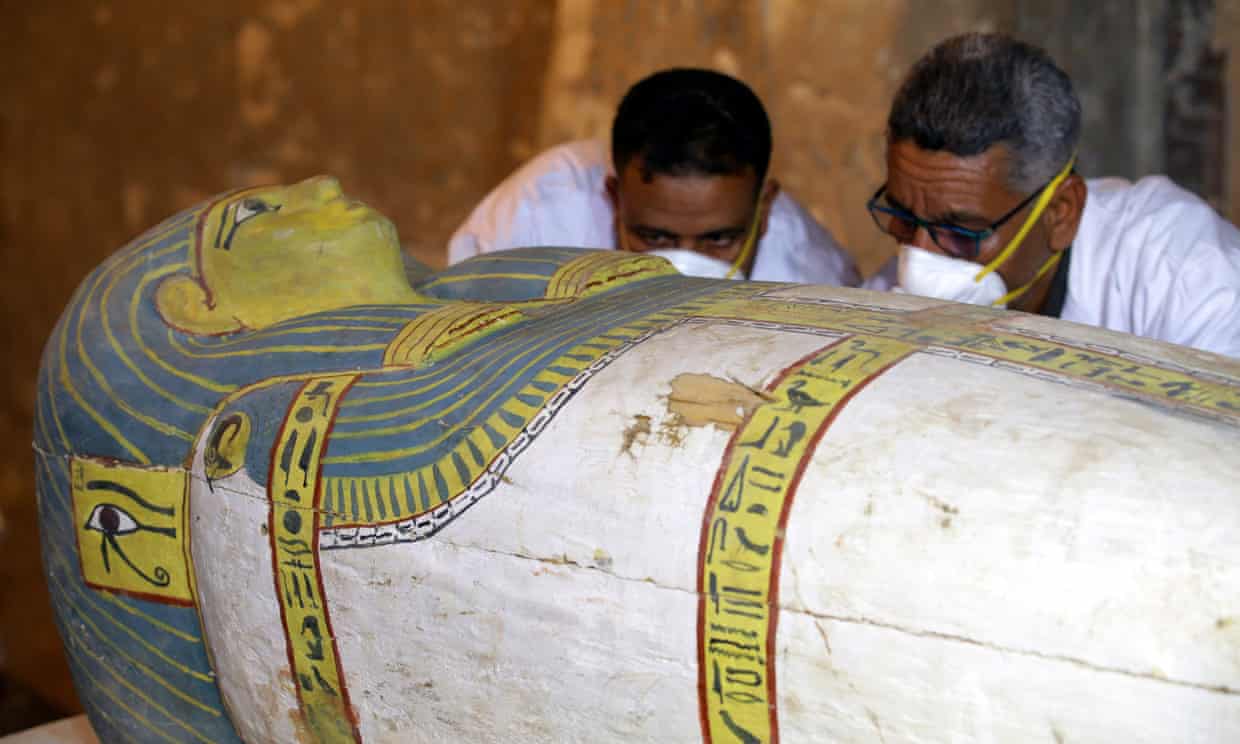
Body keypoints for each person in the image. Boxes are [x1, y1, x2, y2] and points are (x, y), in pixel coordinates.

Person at [865, 32, 1240, 358]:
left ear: (1061, 213)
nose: (918, 259)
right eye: (903, 219)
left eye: (962, 233)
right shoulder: (891, 289)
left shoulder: (1187, 281)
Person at [448, 67, 861, 286]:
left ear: (764, 208)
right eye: (655, 238)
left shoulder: (813, 280)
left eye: (718, 239)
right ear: (613, 197)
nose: (682, 265)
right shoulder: (534, 218)